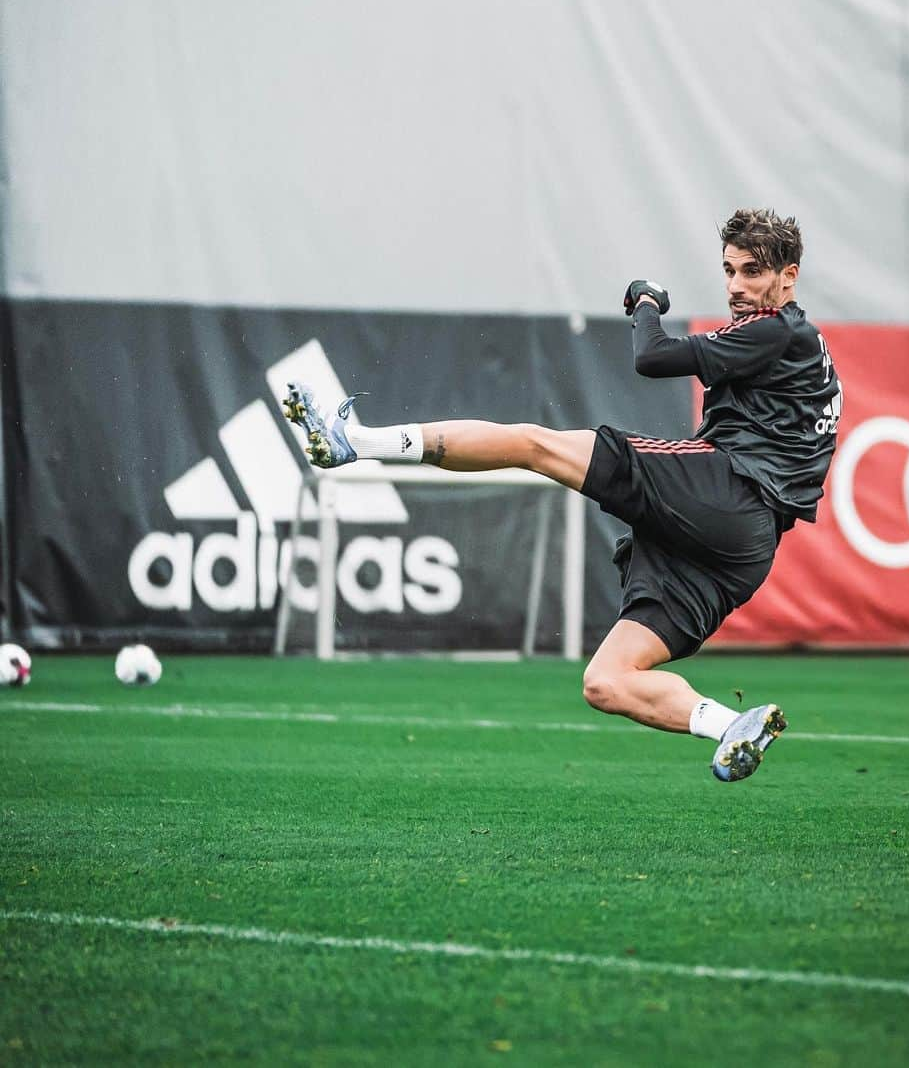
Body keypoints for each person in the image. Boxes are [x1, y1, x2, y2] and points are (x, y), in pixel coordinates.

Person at [283, 207, 841, 783]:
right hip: (739, 552)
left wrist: (645, 302)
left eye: (753, 272)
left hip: (730, 494)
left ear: (788, 276)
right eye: (729, 271)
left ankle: (358, 440)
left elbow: (651, 357)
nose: (737, 287)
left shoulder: (776, 330)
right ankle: (732, 726)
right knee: (607, 681)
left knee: (534, 444)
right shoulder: (797, 345)